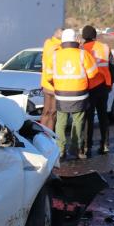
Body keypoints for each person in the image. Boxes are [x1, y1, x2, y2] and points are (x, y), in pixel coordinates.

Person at [44, 28, 96, 160]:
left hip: (61, 94)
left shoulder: (55, 55)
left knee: (60, 122)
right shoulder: (83, 54)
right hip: (79, 94)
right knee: (78, 121)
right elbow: (93, 73)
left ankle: (60, 151)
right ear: (75, 40)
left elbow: (49, 75)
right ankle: (76, 149)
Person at [81, 25, 114, 155]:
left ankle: (87, 146)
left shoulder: (82, 49)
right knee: (103, 116)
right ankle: (105, 144)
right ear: (95, 36)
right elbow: (113, 67)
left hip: (89, 87)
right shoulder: (105, 48)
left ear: (84, 36)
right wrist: (109, 83)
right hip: (103, 87)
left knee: (88, 118)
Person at [39, 28, 62, 130]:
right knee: (49, 112)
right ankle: (44, 134)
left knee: (51, 112)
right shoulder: (51, 44)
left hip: (49, 84)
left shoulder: (49, 43)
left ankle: (48, 135)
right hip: (52, 84)